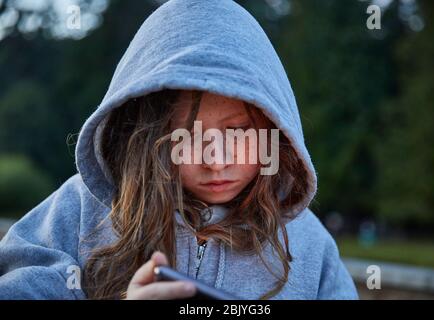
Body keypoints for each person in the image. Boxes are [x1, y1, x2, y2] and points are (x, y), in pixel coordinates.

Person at [0, 0, 358, 300]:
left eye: (237, 132)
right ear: (146, 138)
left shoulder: (311, 247)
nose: (216, 161)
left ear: (274, 130)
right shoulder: (77, 212)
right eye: (185, 137)